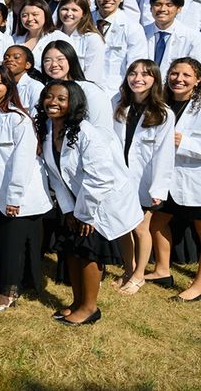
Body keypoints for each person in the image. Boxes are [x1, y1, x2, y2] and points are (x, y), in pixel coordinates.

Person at [37, 81, 142, 326]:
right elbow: (54, 173)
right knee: (72, 252)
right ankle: (76, 302)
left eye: (61, 99)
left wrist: (84, 213)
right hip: (75, 205)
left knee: (88, 253)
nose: (54, 102)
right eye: (49, 97)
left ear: (73, 103)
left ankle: (89, 308)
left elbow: (101, 177)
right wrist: (69, 209)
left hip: (99, 204)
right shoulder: (48, 130)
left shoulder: (86, 132)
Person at [0, 65, 50, 310]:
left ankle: (6, 294)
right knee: (4, 243)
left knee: (9, 246)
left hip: (18, 195)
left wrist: (14, 198)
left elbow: (23, 163)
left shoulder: (18, 119)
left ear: (9, 87)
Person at [110, 60, 175, 296]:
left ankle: (139, 276)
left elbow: (164, 155)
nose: (138, 78)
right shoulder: (117, 104)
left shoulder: (163, 113)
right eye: (133, 73)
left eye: (146, 75)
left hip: (145, 183)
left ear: (155, 80)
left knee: (140, 228)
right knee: (124, 228)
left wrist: (159, 189)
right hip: (120, 178)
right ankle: (128, 270)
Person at [149, 58, 201, 301]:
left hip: (194, 180)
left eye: (186, 75)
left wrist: (185, 143)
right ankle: (162, 269)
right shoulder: (161, 104)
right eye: (174, 73)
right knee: (156, 222)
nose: (178, 79)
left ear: (197, 80)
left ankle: (199, 285)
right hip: (167, 178)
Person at [39, 40, 114, 131]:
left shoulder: (90, 91)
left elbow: (102, 129)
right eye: (47, 60)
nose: (54, 64)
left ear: (71, 60)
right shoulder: (44, 92)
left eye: (60, 59)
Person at [92, 0, 149, 94]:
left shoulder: (133, 28)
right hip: (86, 89)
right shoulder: (84, 22)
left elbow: (136, 65)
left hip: (117, 92)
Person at [144, 0, 201, 78]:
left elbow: (195, 71)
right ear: (151, 9)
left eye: (169, 5)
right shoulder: (140, 33)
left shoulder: (193, 37)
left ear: (179, 9)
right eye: (157, 5)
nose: (162, 9)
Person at [53, 0, 105, 78]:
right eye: (65, 9)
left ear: (83, 14)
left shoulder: (92, 39)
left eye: (74, 10)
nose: (69, 13)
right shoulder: (51, 35)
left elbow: (92, 75)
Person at [13, 0, 61, 66]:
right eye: (25, 15)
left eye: (35, 14)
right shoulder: (14, 39)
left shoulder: (59, 37)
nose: (30, 19)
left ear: (46, 15)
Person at [3, 44, 46, 112]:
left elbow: (36, 116)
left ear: (27, 65)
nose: (10, 59)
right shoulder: (0, 85)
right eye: (6, 58)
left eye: (16, 57)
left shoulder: (35, 86)